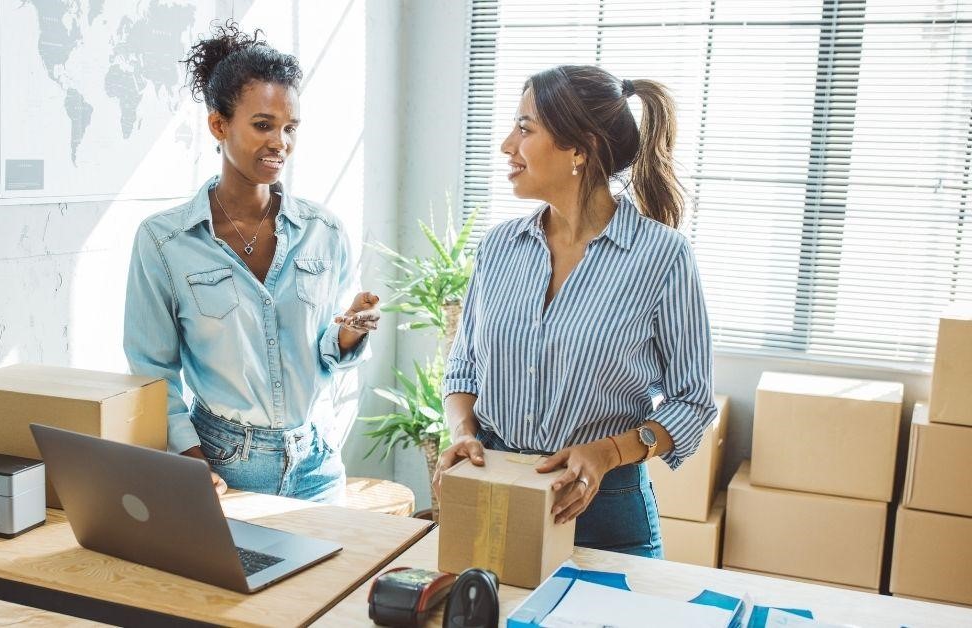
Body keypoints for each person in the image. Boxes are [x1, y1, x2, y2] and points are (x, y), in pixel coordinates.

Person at [434, 65, 716, 558]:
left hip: (607, 509)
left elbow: (692, 402)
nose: (507, 145)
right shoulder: (500, 246)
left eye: (524, 128)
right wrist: (463, 432)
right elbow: (463, 369)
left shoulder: (662, 257)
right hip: (499, 488)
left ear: (579, 150)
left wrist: (607, 453)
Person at [124, 21, 380, 503]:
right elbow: (151, 370)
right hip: (223, 465)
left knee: (331, 580)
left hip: (316, 464)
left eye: (290, 128)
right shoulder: (164, 241)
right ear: (219, 125)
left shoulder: (324, 233)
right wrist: (189, 461)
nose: (279, 142)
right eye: (263, 125)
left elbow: (324, 353)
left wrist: (347, 334)